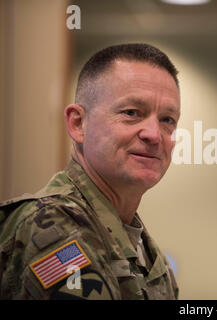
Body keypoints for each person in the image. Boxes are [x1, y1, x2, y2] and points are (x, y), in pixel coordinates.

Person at [0, 43, 180, 299]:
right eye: (131, 113)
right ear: (78, 123)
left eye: (167, 120)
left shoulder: (146, 252)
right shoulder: (54, 226)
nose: (154, 135)